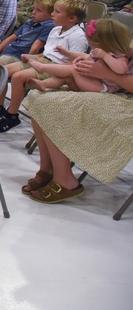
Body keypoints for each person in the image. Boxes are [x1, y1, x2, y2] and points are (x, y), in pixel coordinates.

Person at [22, 49, 133, 204]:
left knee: (53, 105)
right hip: (118, 89)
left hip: (127, 103)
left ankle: (65, 179)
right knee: (38, 97)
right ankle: (47, 168)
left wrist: (108, 74)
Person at [0, 0, 89, 133]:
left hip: (57, 68)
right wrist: (31, 57)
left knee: (18, 77)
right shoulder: (55, 29)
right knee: (3, 71)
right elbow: (46, 53)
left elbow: (73, 64)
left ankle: (11, 115)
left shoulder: (78, 36)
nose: (52, 14)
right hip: (43, 61)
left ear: (72, 18)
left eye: (57, 12)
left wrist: (41, 63)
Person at [25, 19, 133, 93]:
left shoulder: (119, 55)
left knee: (73, 69)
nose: (90, 45)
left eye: (93, 43)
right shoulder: (101, 52)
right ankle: (44, 84)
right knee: (66, 76)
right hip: (94, 81)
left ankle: (43, 68)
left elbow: (121, 69)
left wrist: (105, 56)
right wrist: (67, 53)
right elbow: (84, 55)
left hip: (103, 87)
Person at [0, 0, 57, 65]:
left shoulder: (49, 26)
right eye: (34, 8)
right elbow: (11, 38)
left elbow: (36, 46)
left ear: (51, 15)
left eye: (38, 10)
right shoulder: (30, 22)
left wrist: (27, 61)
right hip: (8, 51)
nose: (33, 12)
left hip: (17, 56)